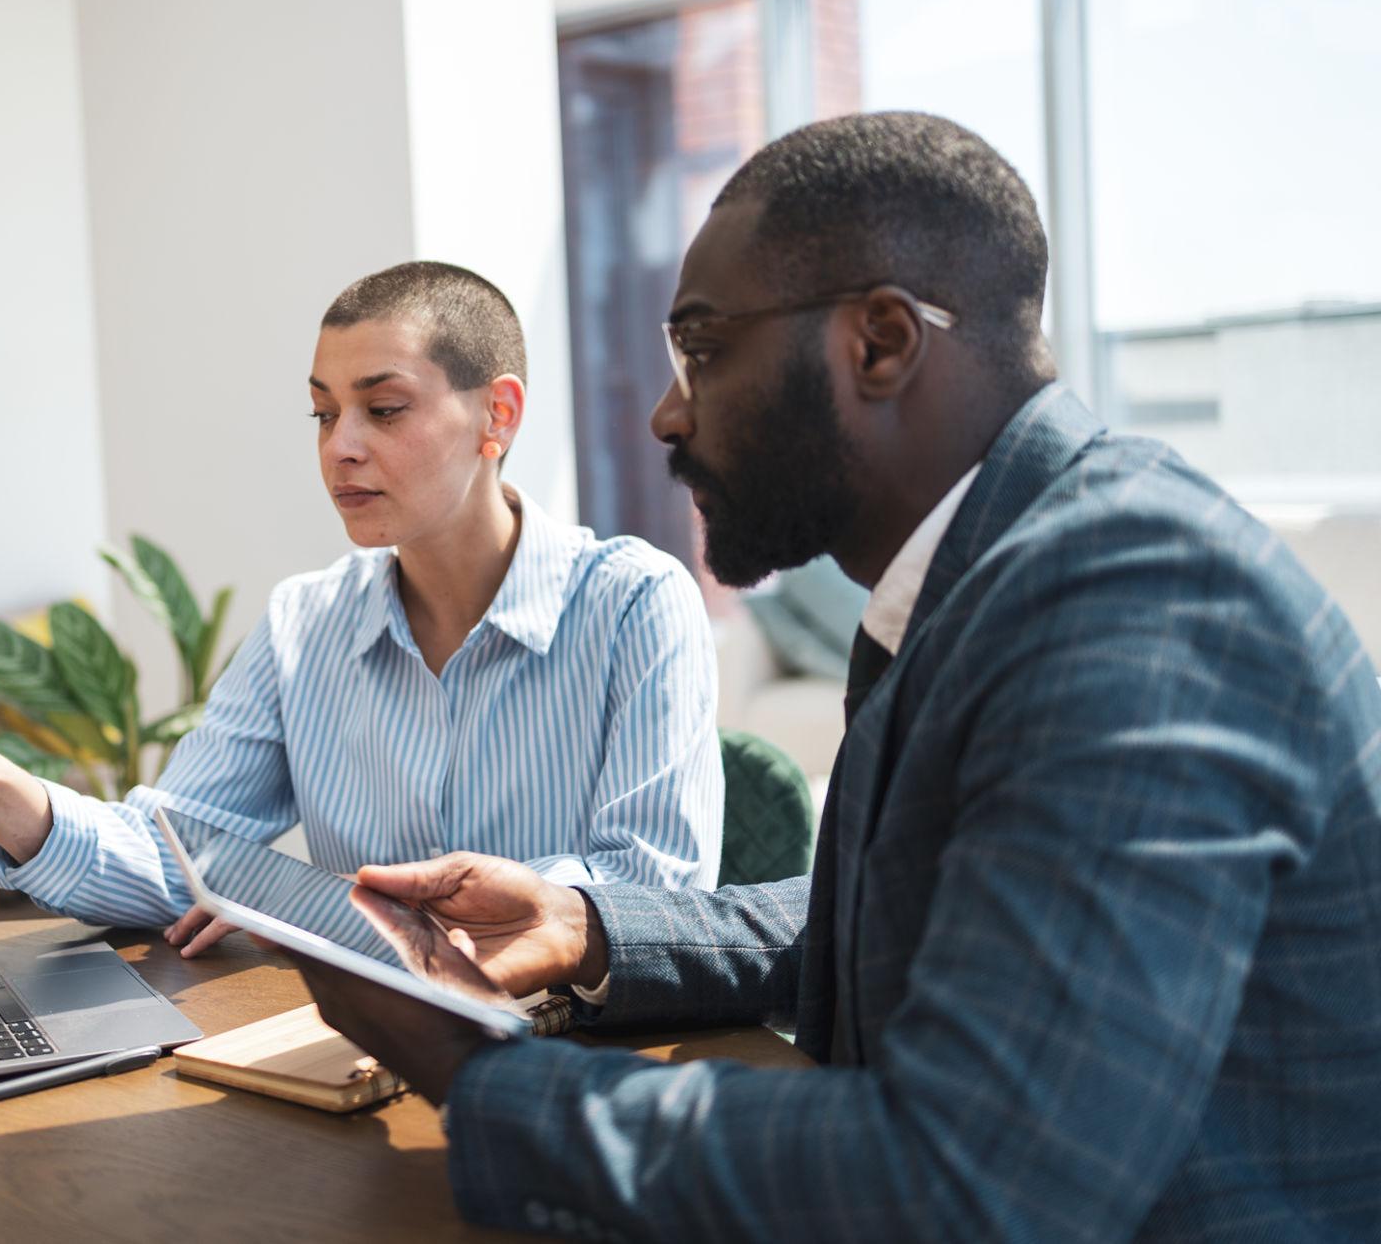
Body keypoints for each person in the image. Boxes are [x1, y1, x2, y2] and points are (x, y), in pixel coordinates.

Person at [291, 114, 1381, 1241]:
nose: (667, 413)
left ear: (879, 344)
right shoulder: (989, 573)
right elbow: (921, 914)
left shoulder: (1125, 612)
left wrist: (480, 1077)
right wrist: (588, 927)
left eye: (702, 349)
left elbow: (965, 1182)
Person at [0, 260, 725, 954]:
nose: (339, 446)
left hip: (571, 1065)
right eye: (322, 412)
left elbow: (647, 900)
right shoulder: (304, 623)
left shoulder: (639, 605)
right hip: (366, 1052)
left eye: (381, 409)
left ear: (497, 416)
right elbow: (175, 851)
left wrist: (297, 901)